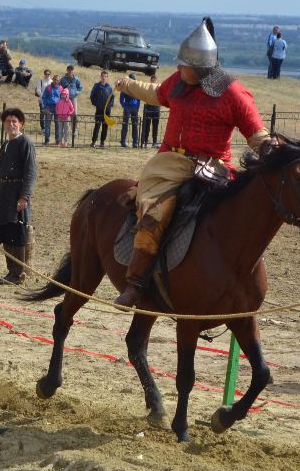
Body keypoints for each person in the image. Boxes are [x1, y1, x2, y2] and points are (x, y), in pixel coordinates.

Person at [111, 18, 270, 308]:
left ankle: (233, 281)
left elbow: (255, 131)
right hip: (170, 165)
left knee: (233, 220)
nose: (179, 68)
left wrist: (268, 145)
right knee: (153, 213)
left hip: (213, 168)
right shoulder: (178, 83)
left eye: (184, 64)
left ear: (201, 67)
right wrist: (128, 85)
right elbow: (154, 92)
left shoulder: (232, 92)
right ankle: (135, 283)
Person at [0, 107, 37, 284]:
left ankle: (18, 274)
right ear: (4, 124)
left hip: (17, 194)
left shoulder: (26, 143)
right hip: (4, 196)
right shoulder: (5, 145)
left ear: (21, 124)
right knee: (6, 233)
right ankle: (11, 273)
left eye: (14, 121)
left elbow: (30, 172)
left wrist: (24, 197)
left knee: (17, 233)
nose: (11, 124)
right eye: (8, 121)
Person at [89, 69, 113, 148]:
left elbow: (112, 98)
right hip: (99, 109)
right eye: (103, 76)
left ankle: (102, 142)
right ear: (100, 77)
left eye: (105, 76)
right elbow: (92, 96)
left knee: (105, 126)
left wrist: (109, 106)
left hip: (107, 110)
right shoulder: (96, 86)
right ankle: (93, 141)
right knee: (97, 125)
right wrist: (96, 104)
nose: (104, 78)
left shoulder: (109, 87)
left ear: (107, 78)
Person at [139, 73, 160, 148]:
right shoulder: (147, 88)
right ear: (150, 81)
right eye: (152, 80)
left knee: (155, 127)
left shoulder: (159, 88)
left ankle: (154, 142)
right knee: (146, 126)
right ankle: (145, 141)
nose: (153, 82)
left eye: (154, 80)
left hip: (156, 109)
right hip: (148, 109)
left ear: (156, 81)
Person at [119, 74, 140, 147]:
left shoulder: (137, 88)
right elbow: (121, 98)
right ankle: (123, 142)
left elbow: (139, 98)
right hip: (127, 107)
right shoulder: (125, 87)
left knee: (135, 125)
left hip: (134, 108)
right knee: (125, 124)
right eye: (132, 79)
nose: (134, 81)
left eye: (134, 80)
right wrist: (124, 106)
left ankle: (135, 142)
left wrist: (137, 107)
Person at [34, 68, 53, 144]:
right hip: (42, 100)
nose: (47, 75)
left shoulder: (51, 81)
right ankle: (43, 128)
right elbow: (38, 90)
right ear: (44, 74)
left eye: (48, 74)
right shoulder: (41, 81)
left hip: (49, 101)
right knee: (42, 114)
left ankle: (47, 129)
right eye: (46, 74)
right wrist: (43, 95)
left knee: (48, 115)